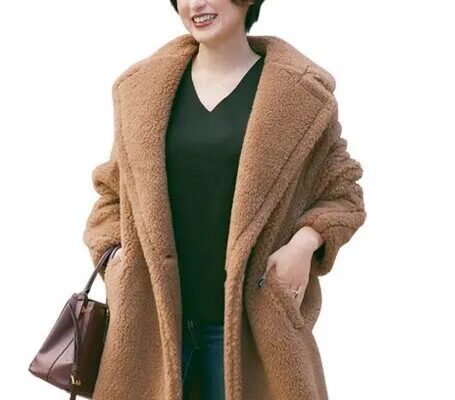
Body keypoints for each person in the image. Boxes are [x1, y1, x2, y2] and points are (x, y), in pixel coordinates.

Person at [83, 1, 366, 399]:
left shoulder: (298, 94)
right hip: (153, 332)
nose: (196, 4)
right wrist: (118, 263)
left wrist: (305, 243)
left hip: (253, 331)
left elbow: (343, 192)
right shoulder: (143, 91)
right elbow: (111, 194)